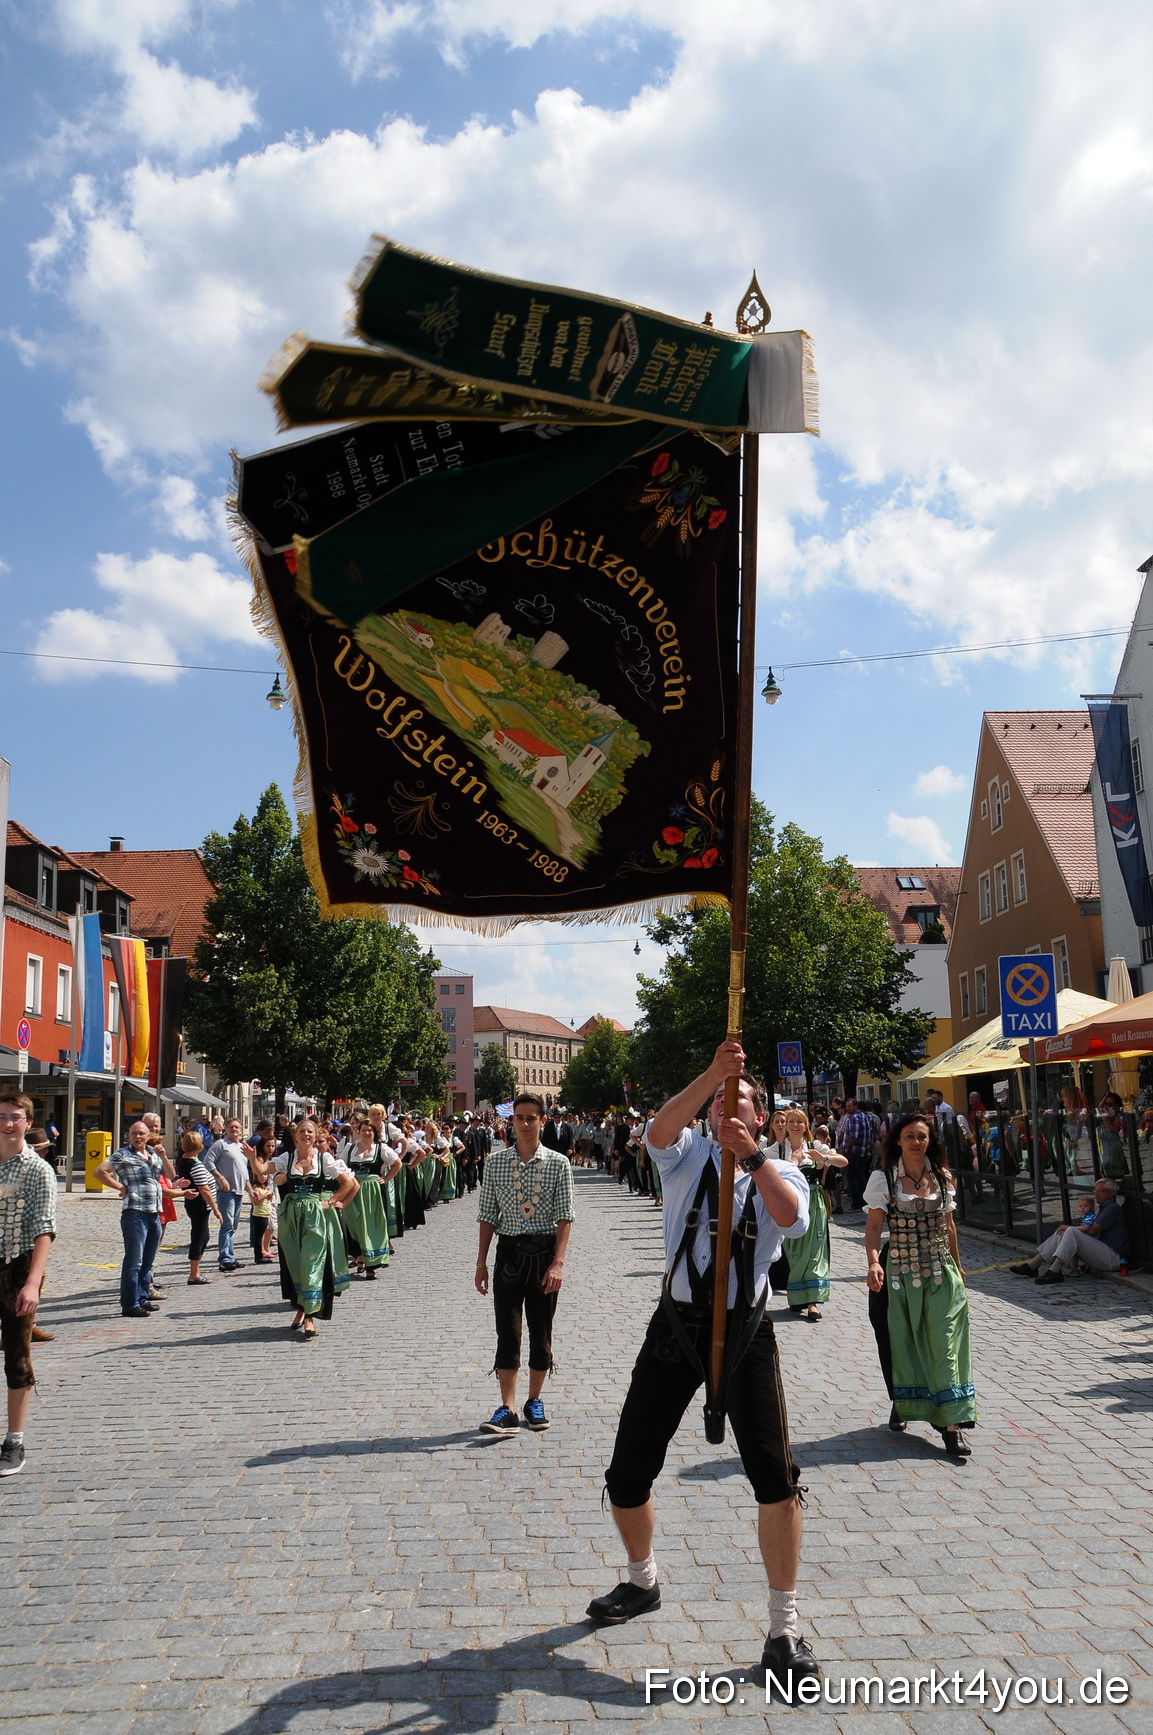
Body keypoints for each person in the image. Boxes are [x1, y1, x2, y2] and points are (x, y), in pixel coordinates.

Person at [589, 1042, 819, 1698]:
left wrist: (750, 1152)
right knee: (627, 1469)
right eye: (719, 1102)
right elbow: (658, 1127)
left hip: (745, 1331)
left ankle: (782, 1628)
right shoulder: (685, 1153)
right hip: (676, 1327)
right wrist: (713, 1075)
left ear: (763, 1117)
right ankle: (641, 1578)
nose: (725, 1107)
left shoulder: (781, 1169)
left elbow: (789, 1221)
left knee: (776, 1478)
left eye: (739, 1100)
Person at [864, 1110, 975, 1459]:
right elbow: (872, 1229)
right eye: (910, 1136)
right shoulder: (883, 1179)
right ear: (898, 1139)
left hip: (941, 1274)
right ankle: (905, 1401)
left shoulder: (942, 1178)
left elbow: (950, 1227)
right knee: (904, 1342)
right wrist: (871, 1263)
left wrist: (958, 1267)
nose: (916, 1142)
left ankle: (952, 1426)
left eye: (922, 1136)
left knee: (942, 1343)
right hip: (900, 1272)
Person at [475, 1093, 574, 1436]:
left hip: (545, 1254)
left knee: (541, 1330)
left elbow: (565, 1217)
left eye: (532, 1117)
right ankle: (507, 1407)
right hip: (509, 1255)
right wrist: (481, 1263)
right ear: (512, 1121)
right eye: (520, 1117)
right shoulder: (495, 1163)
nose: (526, 1123)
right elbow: (488, 1215)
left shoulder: (559, 1163)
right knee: (508, 1329)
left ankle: (534, 1400)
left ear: (542, 1121)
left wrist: (558, 1263)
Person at [0, 1093, 56, 1476]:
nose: (7, 1124)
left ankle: (14, 1440)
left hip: (18, 1268)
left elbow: (44, 1229)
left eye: (14, 1117)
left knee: (17, 1357)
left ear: (27, 1122)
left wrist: (33, 1283)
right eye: (1, 1116)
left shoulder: (38, 1170)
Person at [273, 1120, 358, 1338]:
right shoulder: (288, 1158)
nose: (307, 1135)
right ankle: (301, 1308)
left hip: (317, 1218)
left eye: (311, 1132)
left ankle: (310, 1316)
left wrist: (332, 1202)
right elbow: (264, 1170)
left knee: (312, 1262)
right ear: (295, 1136)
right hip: (291, 1217)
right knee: (295, 1263)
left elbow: (349, 1183)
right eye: (302, 1131)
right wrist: (254, 1160)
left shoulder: (326, 1159)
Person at [769, 1109, 847, 1321]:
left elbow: (843, 1161)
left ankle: (813, 1301)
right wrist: (791, 1164)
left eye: (799, 1122)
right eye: (790, 1121)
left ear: (806, 1126)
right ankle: (796, 1296)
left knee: (815, 1249)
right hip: (789, 1204)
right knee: (793, 1251)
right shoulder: (776, 1150)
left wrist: (825, 1158)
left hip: (813, 1202)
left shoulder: (814, 1147)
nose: (794, 1125)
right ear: (785, 1126)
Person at [94, 1121, 174, 1319]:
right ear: (129, 1136)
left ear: (148, 1136)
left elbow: (171, 1175)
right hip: (135, 1212)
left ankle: (142, 1298)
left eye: (142, 1134)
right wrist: (118, 1186)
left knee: (148, 1260)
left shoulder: (153, 1153)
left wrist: (164, 1156)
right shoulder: (123, 1154)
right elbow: (99, 1171)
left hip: (154, 1211)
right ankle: (130, 1304)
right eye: (134, 1134)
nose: (138, 1137)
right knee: (134, 1261)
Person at [1008, 1178, 1129, 1283]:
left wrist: (1069, 1228)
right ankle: (1033, 1265)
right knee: (1064, 1232)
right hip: (1106, 1253)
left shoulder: (1112, 1209)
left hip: (1114, 1257)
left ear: (1110, 1193)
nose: (1096, 1194)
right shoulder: (1105, 1208)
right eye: (1095, 1190)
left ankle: (1054, 1270)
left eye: (1100, 1191)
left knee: (1071, 1231)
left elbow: (1092, 1231)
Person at [342, 1117, 401, 1278]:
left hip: (372, 1191)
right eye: (363, 1130)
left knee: (372, 1225)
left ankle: (371, 1265)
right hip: (353, 1190)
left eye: (370, 1130)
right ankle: (360, 1256)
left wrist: (386, 1178)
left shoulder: (381, 1148)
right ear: (358, 1132)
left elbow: (397, 1164)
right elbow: (340, 1167)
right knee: (354, 1224)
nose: (367, 1133)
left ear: (375, 1133)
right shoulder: (349, 1149)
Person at [174, 1131, 223, 1284]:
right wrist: (215, 1208)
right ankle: (194, 1274)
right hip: (200, 1204)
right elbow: (204, 1189)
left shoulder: (183, 1160)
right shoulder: (194, 1165)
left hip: (194, 1204)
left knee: (204, 1236)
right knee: (199, 1237)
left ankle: (196, 1270)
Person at [204, 1117, 248, 1272]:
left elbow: (245, 1173)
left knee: (233, 1226)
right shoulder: (221, 1144)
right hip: (226, 1192)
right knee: (227, 1225)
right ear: (226, 1129)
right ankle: (225, 1258)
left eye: (237, 1127)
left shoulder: (242, 1147)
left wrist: (251, 1189)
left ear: (241, 1130)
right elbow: (207, 1161)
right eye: (231, 1127)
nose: (234, 1130)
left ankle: (231, 1256)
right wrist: (220, 1177)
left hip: (239, 1191)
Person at [834, 1096, 876, 1210]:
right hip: (863, 1151)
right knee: (861, 1176)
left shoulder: (854, 1118)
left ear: (855, 1106)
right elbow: (870, 1135)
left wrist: (847, 1149)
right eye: (846, 1106)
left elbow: (853, 1137)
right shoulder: (865, 1116)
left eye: (850, 1106)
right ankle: (863, 1200)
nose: (847, 1108)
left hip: (854, 1151)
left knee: (852, 1177)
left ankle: (857, 1202)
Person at [246, 1136, 279, 1263]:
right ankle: (261, 1251)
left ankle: (264, 1249)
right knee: (265, 1225)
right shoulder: (260, 1159)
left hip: (270, 1191)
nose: (270, 1149)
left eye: (272, 1146)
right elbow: (258, 1176)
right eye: (268, 1146)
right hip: (263, 1191)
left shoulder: (271, 1159)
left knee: (270, 1224)